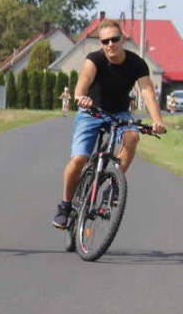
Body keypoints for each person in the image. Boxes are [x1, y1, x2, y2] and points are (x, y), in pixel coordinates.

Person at [52, 20, 165, 229]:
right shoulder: (94, 59)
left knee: (132, 137)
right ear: (101, 43)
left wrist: (157, 120)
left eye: (114, 39)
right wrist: (80, 98)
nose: (110, 44)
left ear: (122, 39)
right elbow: (82, 84)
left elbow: (147, 91)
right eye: (105, 41)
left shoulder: (136, 63)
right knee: (79, 159)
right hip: (92, 111)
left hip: (120, 113)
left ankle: (113, 183)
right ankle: (65, 206)